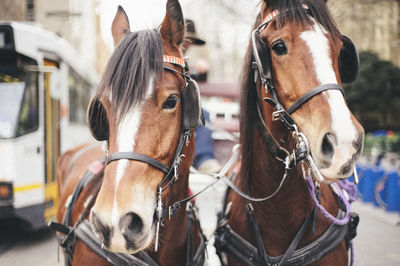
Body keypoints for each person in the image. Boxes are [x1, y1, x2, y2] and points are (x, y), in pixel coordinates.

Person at [183, 19, 221, 173]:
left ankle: (204, 160)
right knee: (202, 114)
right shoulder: (165, 53)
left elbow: (191, 76)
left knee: (202, 114)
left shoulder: (183, 57)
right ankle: (203, 159)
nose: (188, 42)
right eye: (186, 38)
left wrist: (202, 72)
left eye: (190, 40)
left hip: (181, 105)